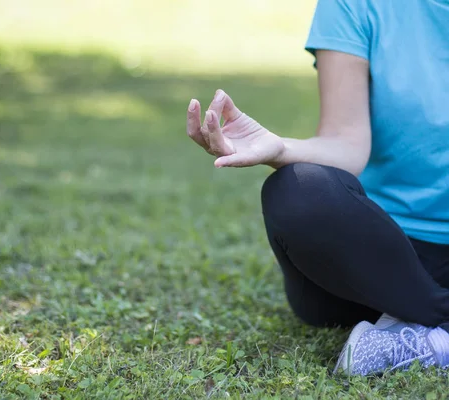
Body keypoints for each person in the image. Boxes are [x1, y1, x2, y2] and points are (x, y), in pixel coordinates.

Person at [185, 0, 449, 376]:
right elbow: (346, 143)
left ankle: (429, 337)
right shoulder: (354, 5)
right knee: (298, 190)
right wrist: (279, 148)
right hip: (377, 265)